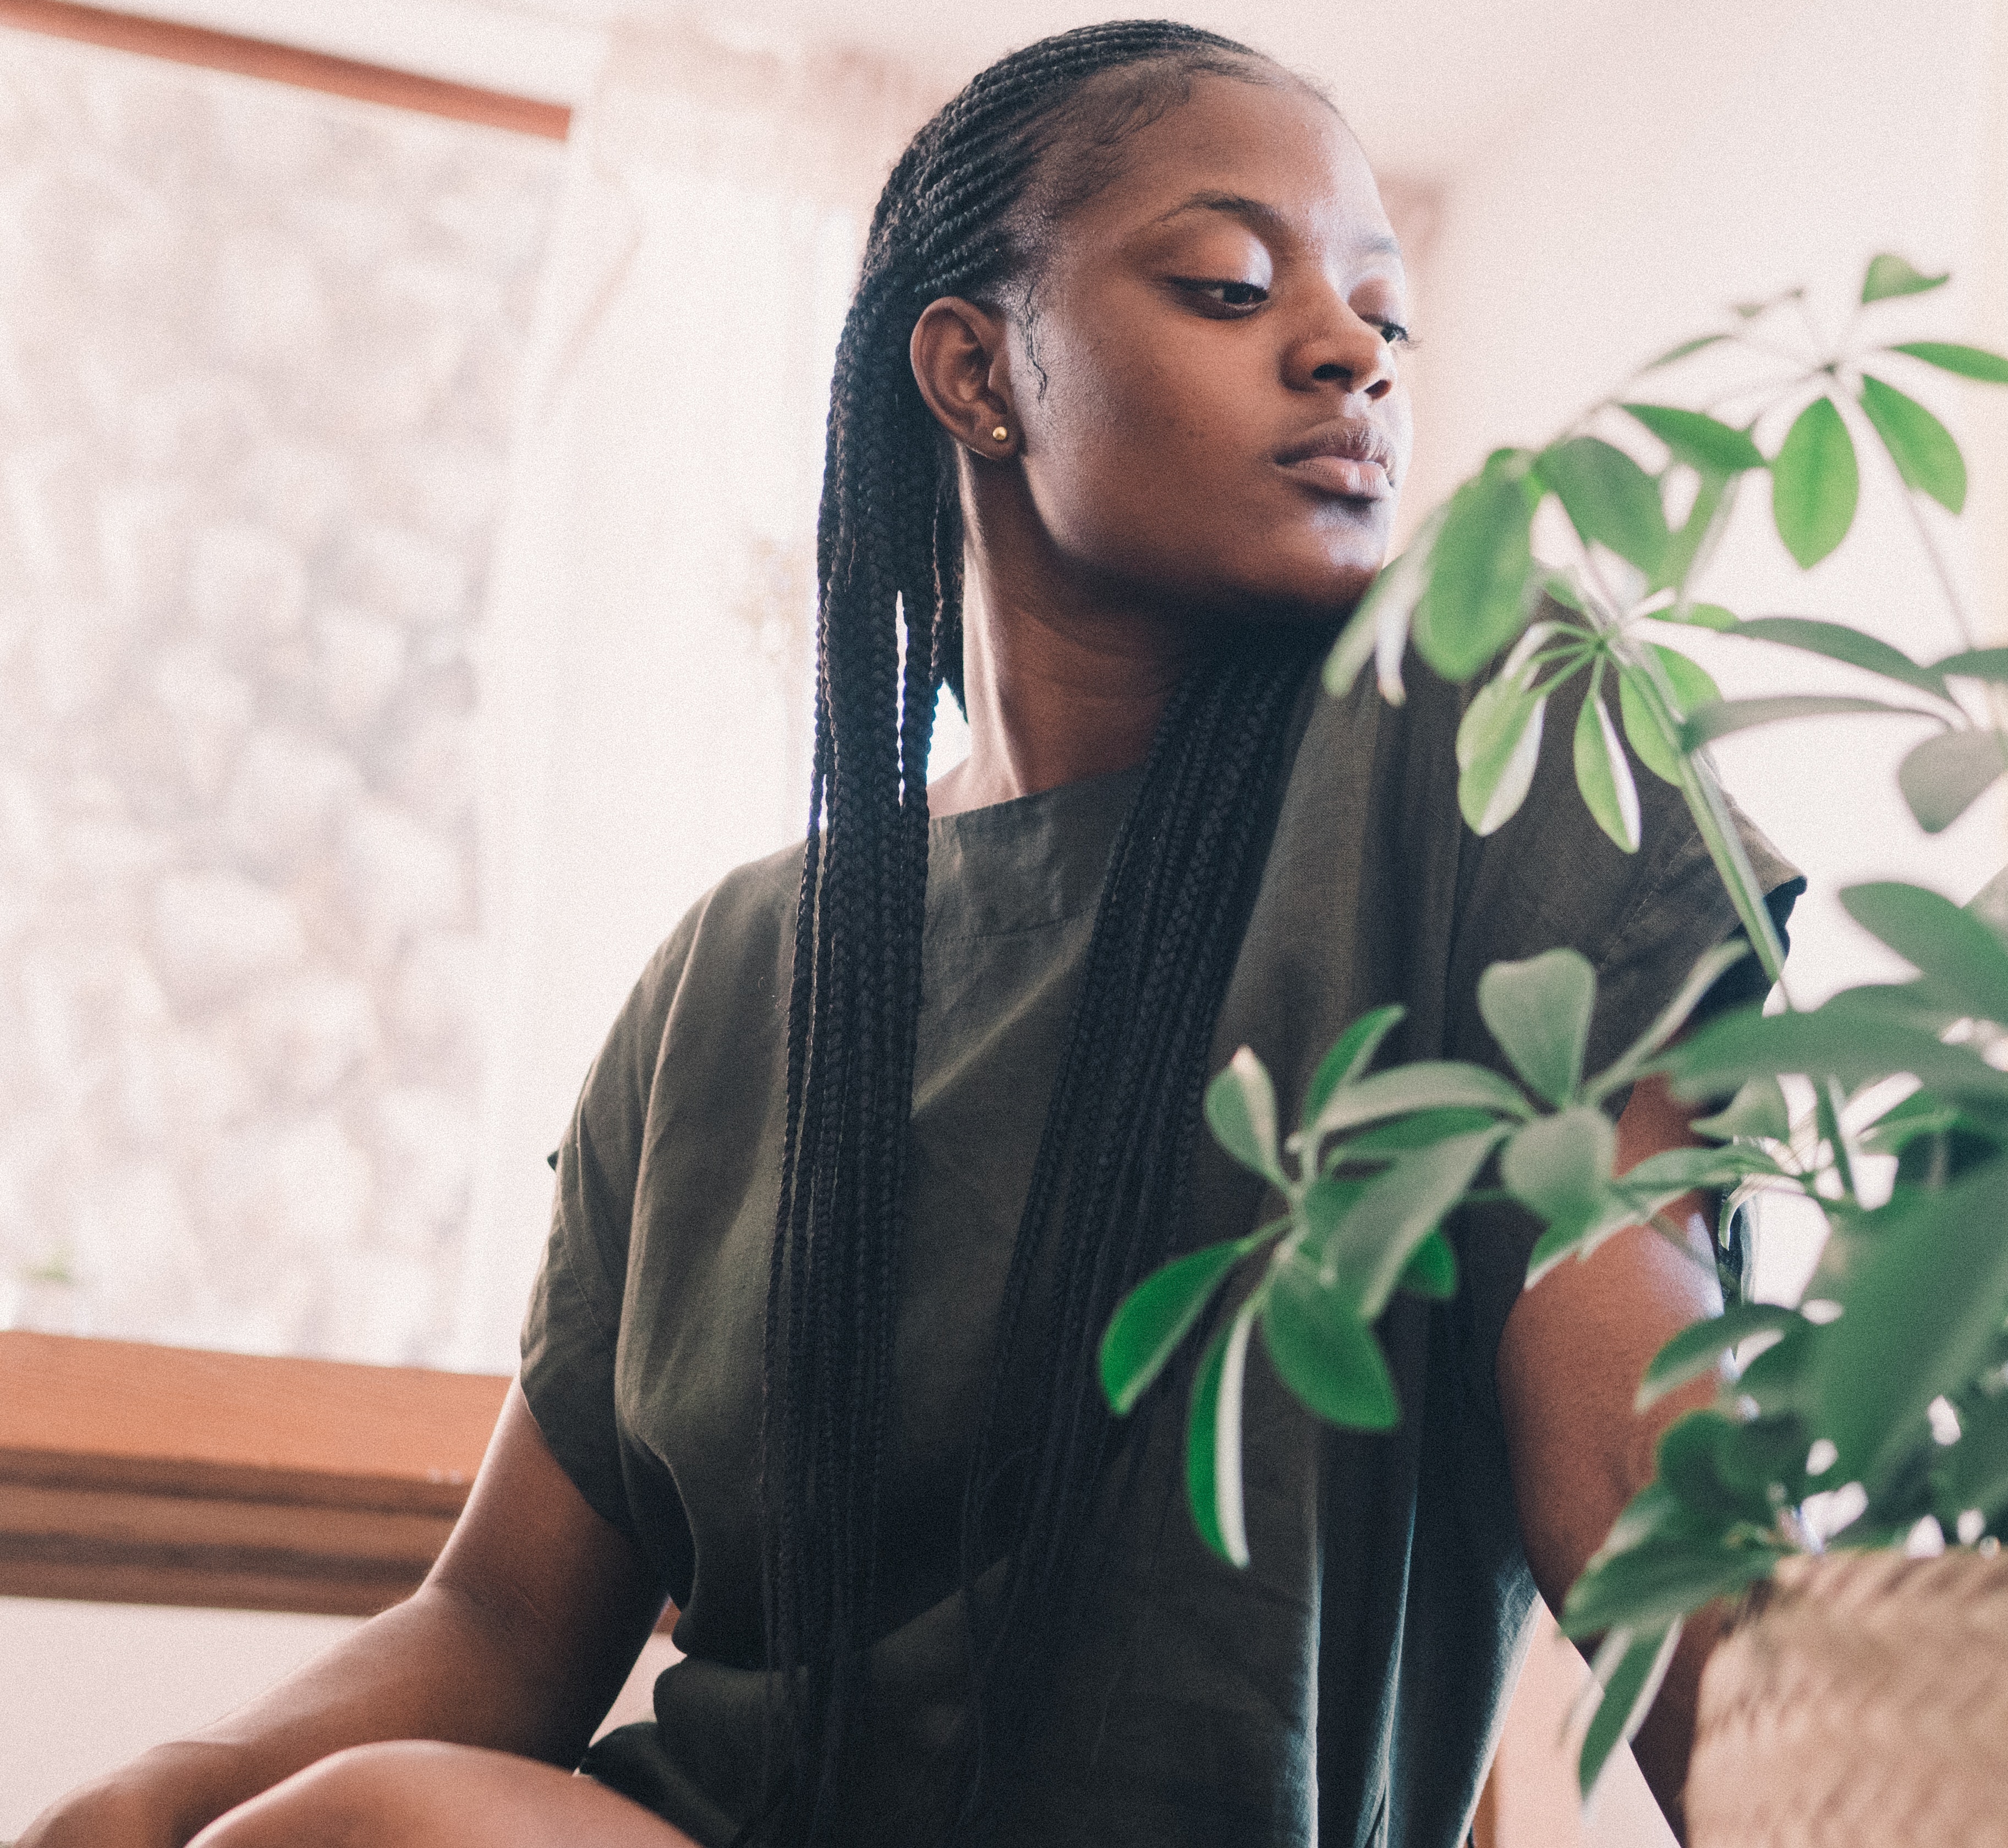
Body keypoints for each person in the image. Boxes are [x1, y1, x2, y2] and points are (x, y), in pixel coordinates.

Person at [24, 21, 1795, 1847]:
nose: (1348, 353)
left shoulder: (1498, 747)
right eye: (1226, 283)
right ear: (973, 370)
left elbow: (1640, 1443)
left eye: (1382, 316)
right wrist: (152, 1798)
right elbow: (499, 1621)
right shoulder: (729, 980)